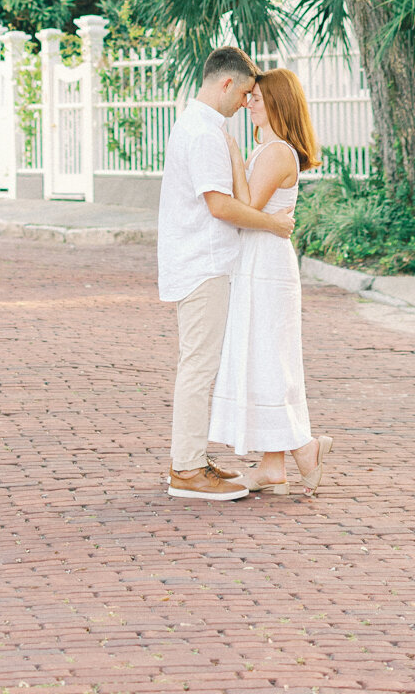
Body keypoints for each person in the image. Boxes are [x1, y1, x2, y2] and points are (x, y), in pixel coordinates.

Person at [158, 45, 296, 501]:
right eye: (245, 94)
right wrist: (275, 224)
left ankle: (193, 460)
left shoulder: (203, 128)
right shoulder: (201, 133)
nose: (246, 104)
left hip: (208, 262)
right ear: (227, 84)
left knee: (200, 364)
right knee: (198, 366)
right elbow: (221, 206)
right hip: (204, 263)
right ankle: (187, 470)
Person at [209, 68, 333, 496]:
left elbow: (246, 204)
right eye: (249, 96)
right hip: (256, 260)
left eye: (258, 97)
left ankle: (303, 447)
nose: (249, 102)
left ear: (279, 102)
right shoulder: (268, 149)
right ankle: (273, 466)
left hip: (267, 265)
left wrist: (230, 152)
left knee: (270, 360)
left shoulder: (278, 151)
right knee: (262, 359)